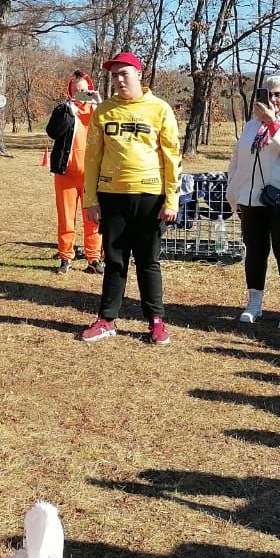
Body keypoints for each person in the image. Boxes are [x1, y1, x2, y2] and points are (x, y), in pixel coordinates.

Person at [79, 51, 181, 346]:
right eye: (114, 75)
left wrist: (171, 199)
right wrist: (90, 199)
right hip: (112, 195)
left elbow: (172, 156)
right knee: (114, 261)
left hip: (150, 194)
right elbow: (93, 157)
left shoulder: (159, 109)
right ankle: (106, 319)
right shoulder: (104, 111)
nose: (118, 80)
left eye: (124, 73)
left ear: (139, 74)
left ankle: (156, 321)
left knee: (148, 261)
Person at [226, 73, 280, 329]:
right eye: (267, 93)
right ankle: (254, 303)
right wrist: (235, 191)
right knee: (255, 252)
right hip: (251, 198)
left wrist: (273, 122)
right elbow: (238, 158)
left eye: (278, 94)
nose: (272, 99)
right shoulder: (252, 124)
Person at [45, 71, 103, 274]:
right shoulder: (63, 109)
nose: (80, 94)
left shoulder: (99, 109)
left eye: (84, 90)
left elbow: (109, 129)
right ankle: (65, 257)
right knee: (66, 218)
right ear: (69, 91)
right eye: (76, 90)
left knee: (93, 218)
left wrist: (99, 103)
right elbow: (52, 132)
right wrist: (68, 112)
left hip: (92, 175)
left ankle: (94, 258)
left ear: (90, 89)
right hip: (66, 173)